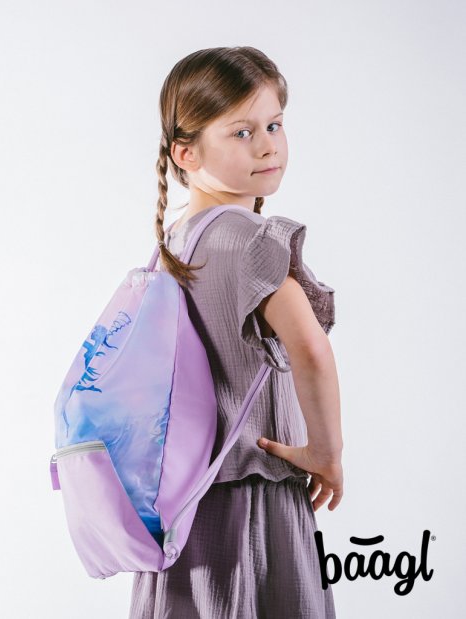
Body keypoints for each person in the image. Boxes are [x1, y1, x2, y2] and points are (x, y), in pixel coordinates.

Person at [129, 46, 343, 619]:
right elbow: (311, 350)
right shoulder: (250, 241)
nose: (268, 145)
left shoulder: (175, 242)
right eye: (242, 132)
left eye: (274, 125)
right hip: (256, 500)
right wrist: (325, 452)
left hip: (184, 507)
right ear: (186, 153)